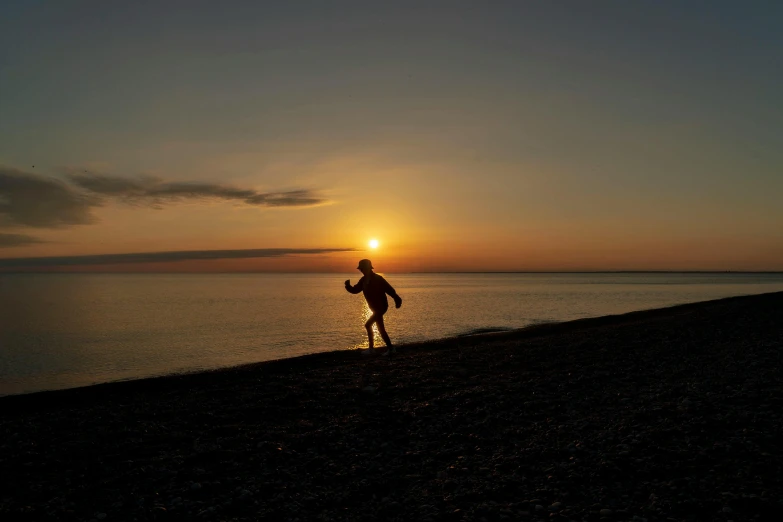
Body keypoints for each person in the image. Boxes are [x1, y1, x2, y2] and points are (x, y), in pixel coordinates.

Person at [345, 259, 402, 355]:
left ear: (368, 268)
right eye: (361, 269)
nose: (361, 271)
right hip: (374, 308)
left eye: (362, 268)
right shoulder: (363, 280)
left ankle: (377, 349)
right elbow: (355, 290)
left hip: (381, 307)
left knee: (368, 325)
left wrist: (397, 299)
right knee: (379, 327)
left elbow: (389, 289)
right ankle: (386, 348)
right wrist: (348, 286)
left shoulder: (378, 278)